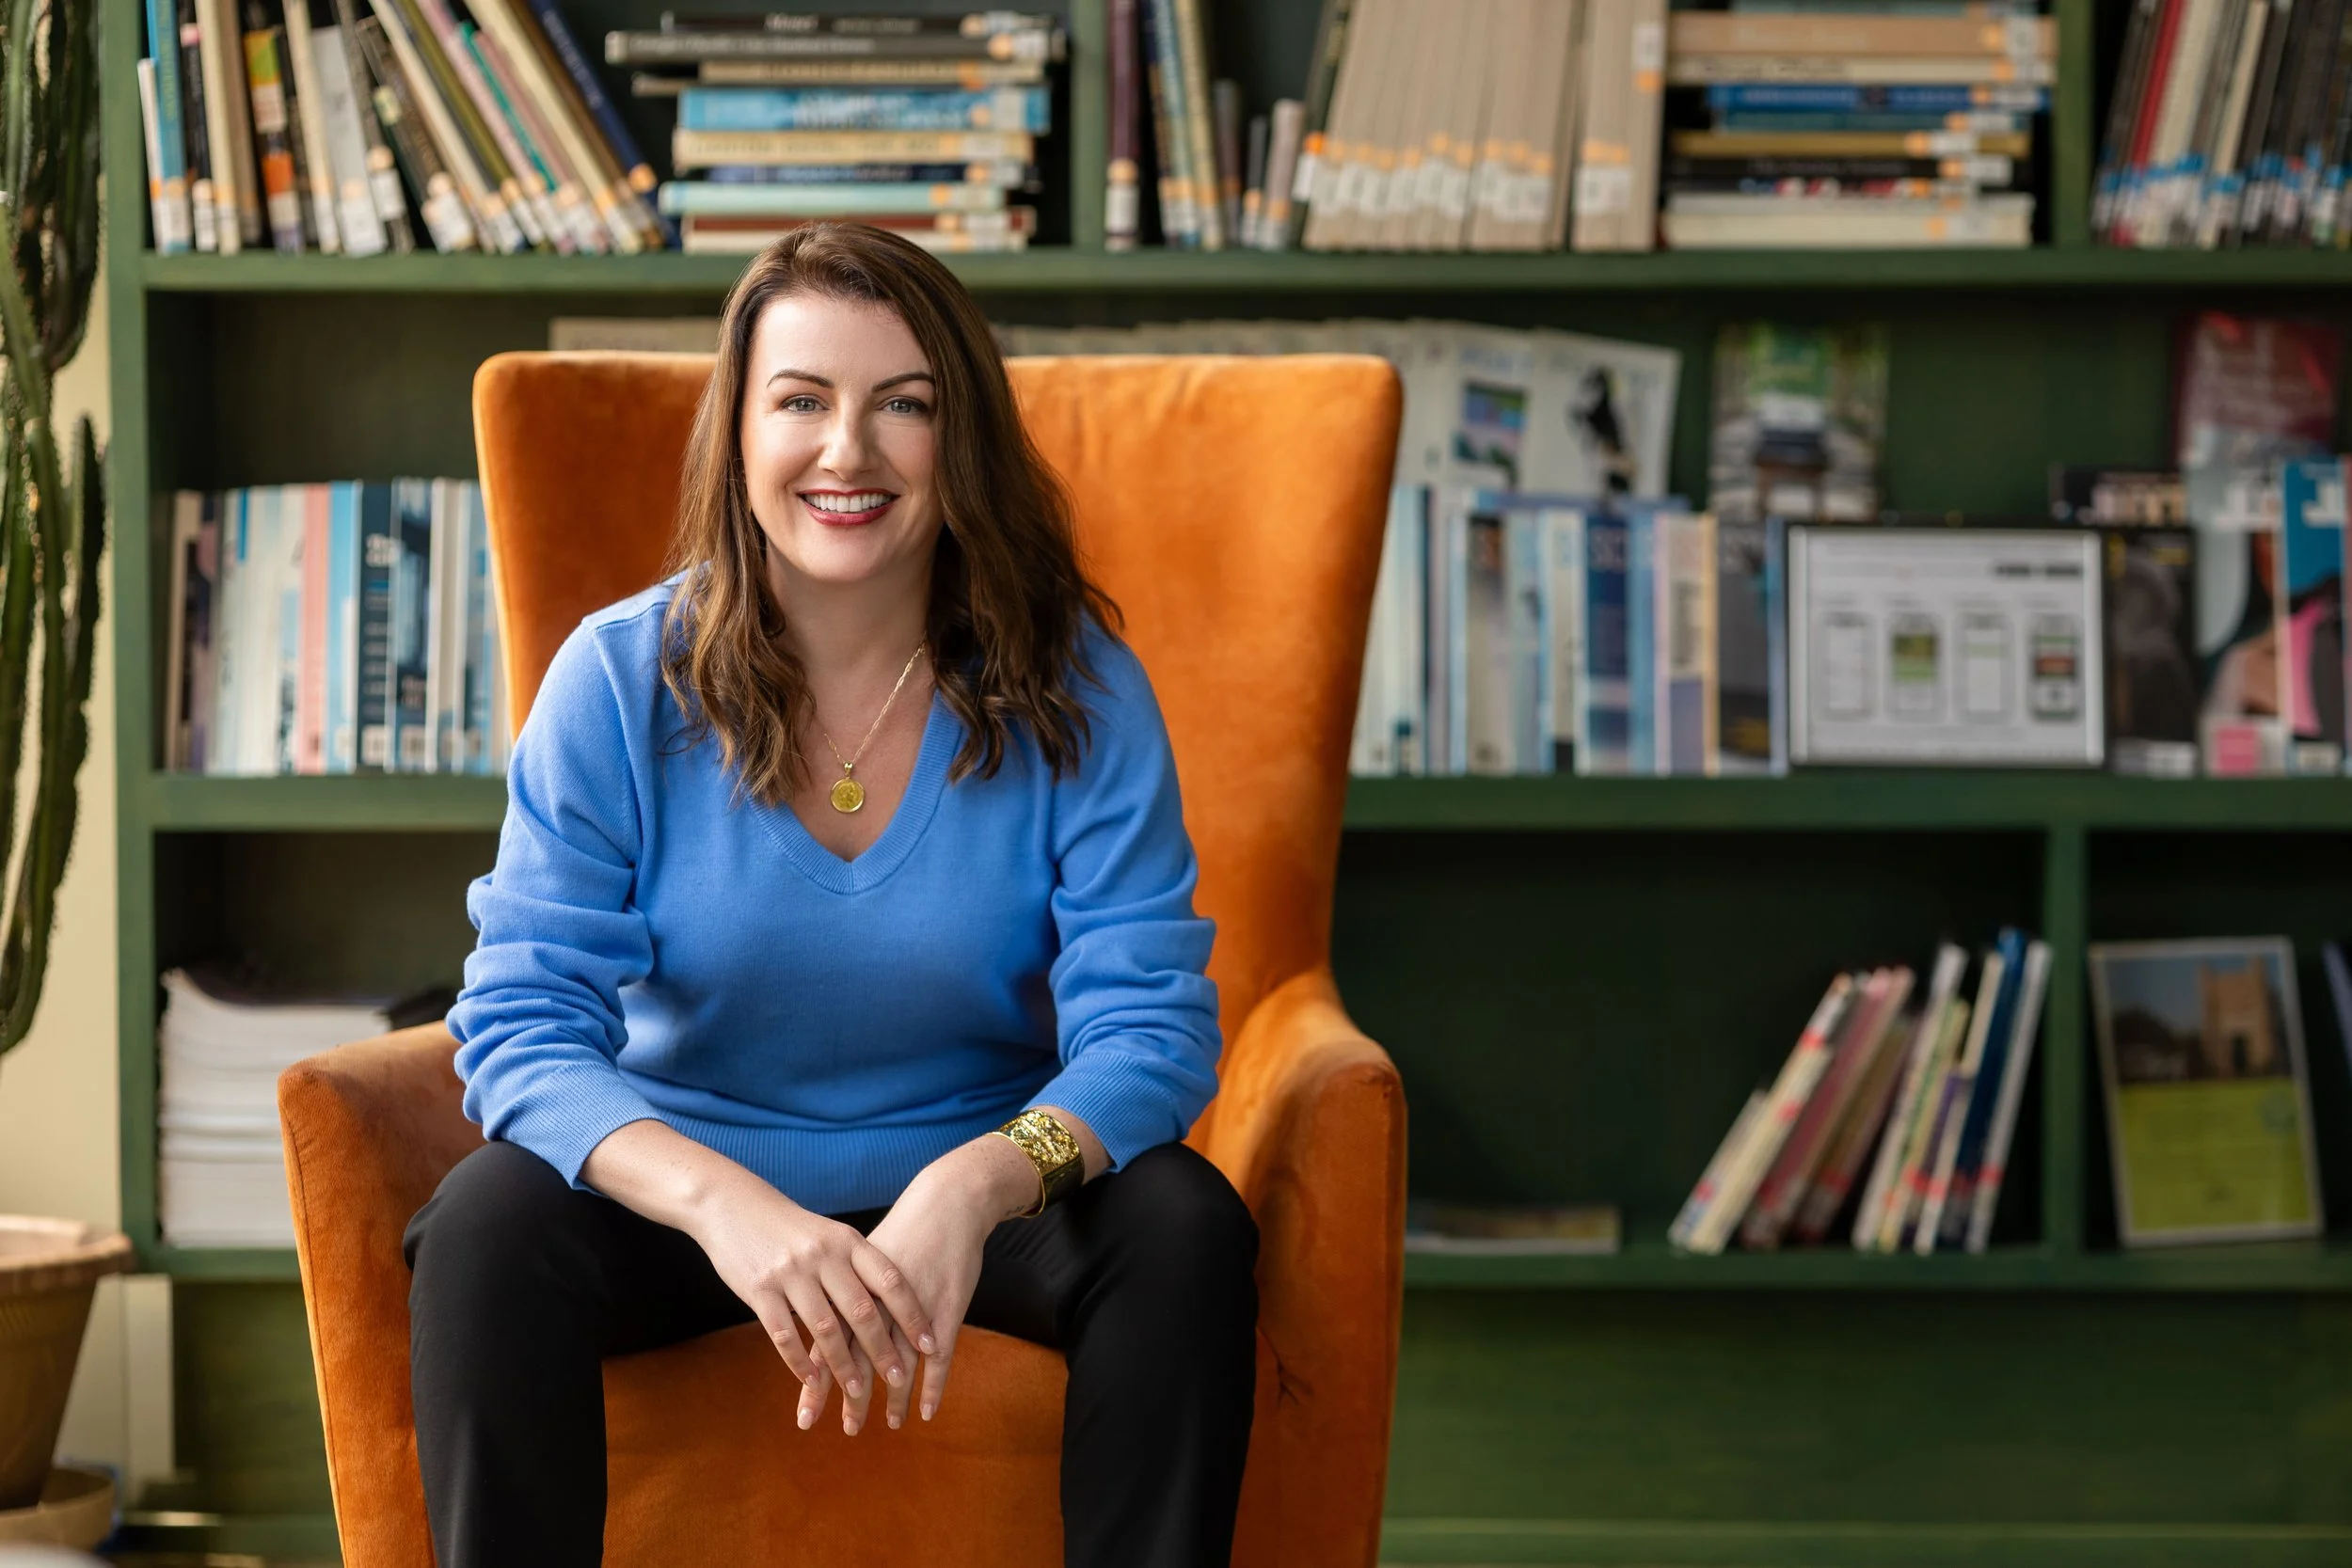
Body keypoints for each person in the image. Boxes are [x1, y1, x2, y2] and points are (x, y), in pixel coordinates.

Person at [402, 223, 1258, 1568]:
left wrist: (975, 1187)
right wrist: (727, 1206)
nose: (846, 451)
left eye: (902, 406)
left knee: (1184, 1226)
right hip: (696, 1193)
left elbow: (1149, 1033)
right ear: (738, 435)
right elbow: (520, 1029)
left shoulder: (1080, 684)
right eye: (800, 400)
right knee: (487, 1229)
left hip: (984, 1191)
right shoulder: (620, 679)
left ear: (957, 437)